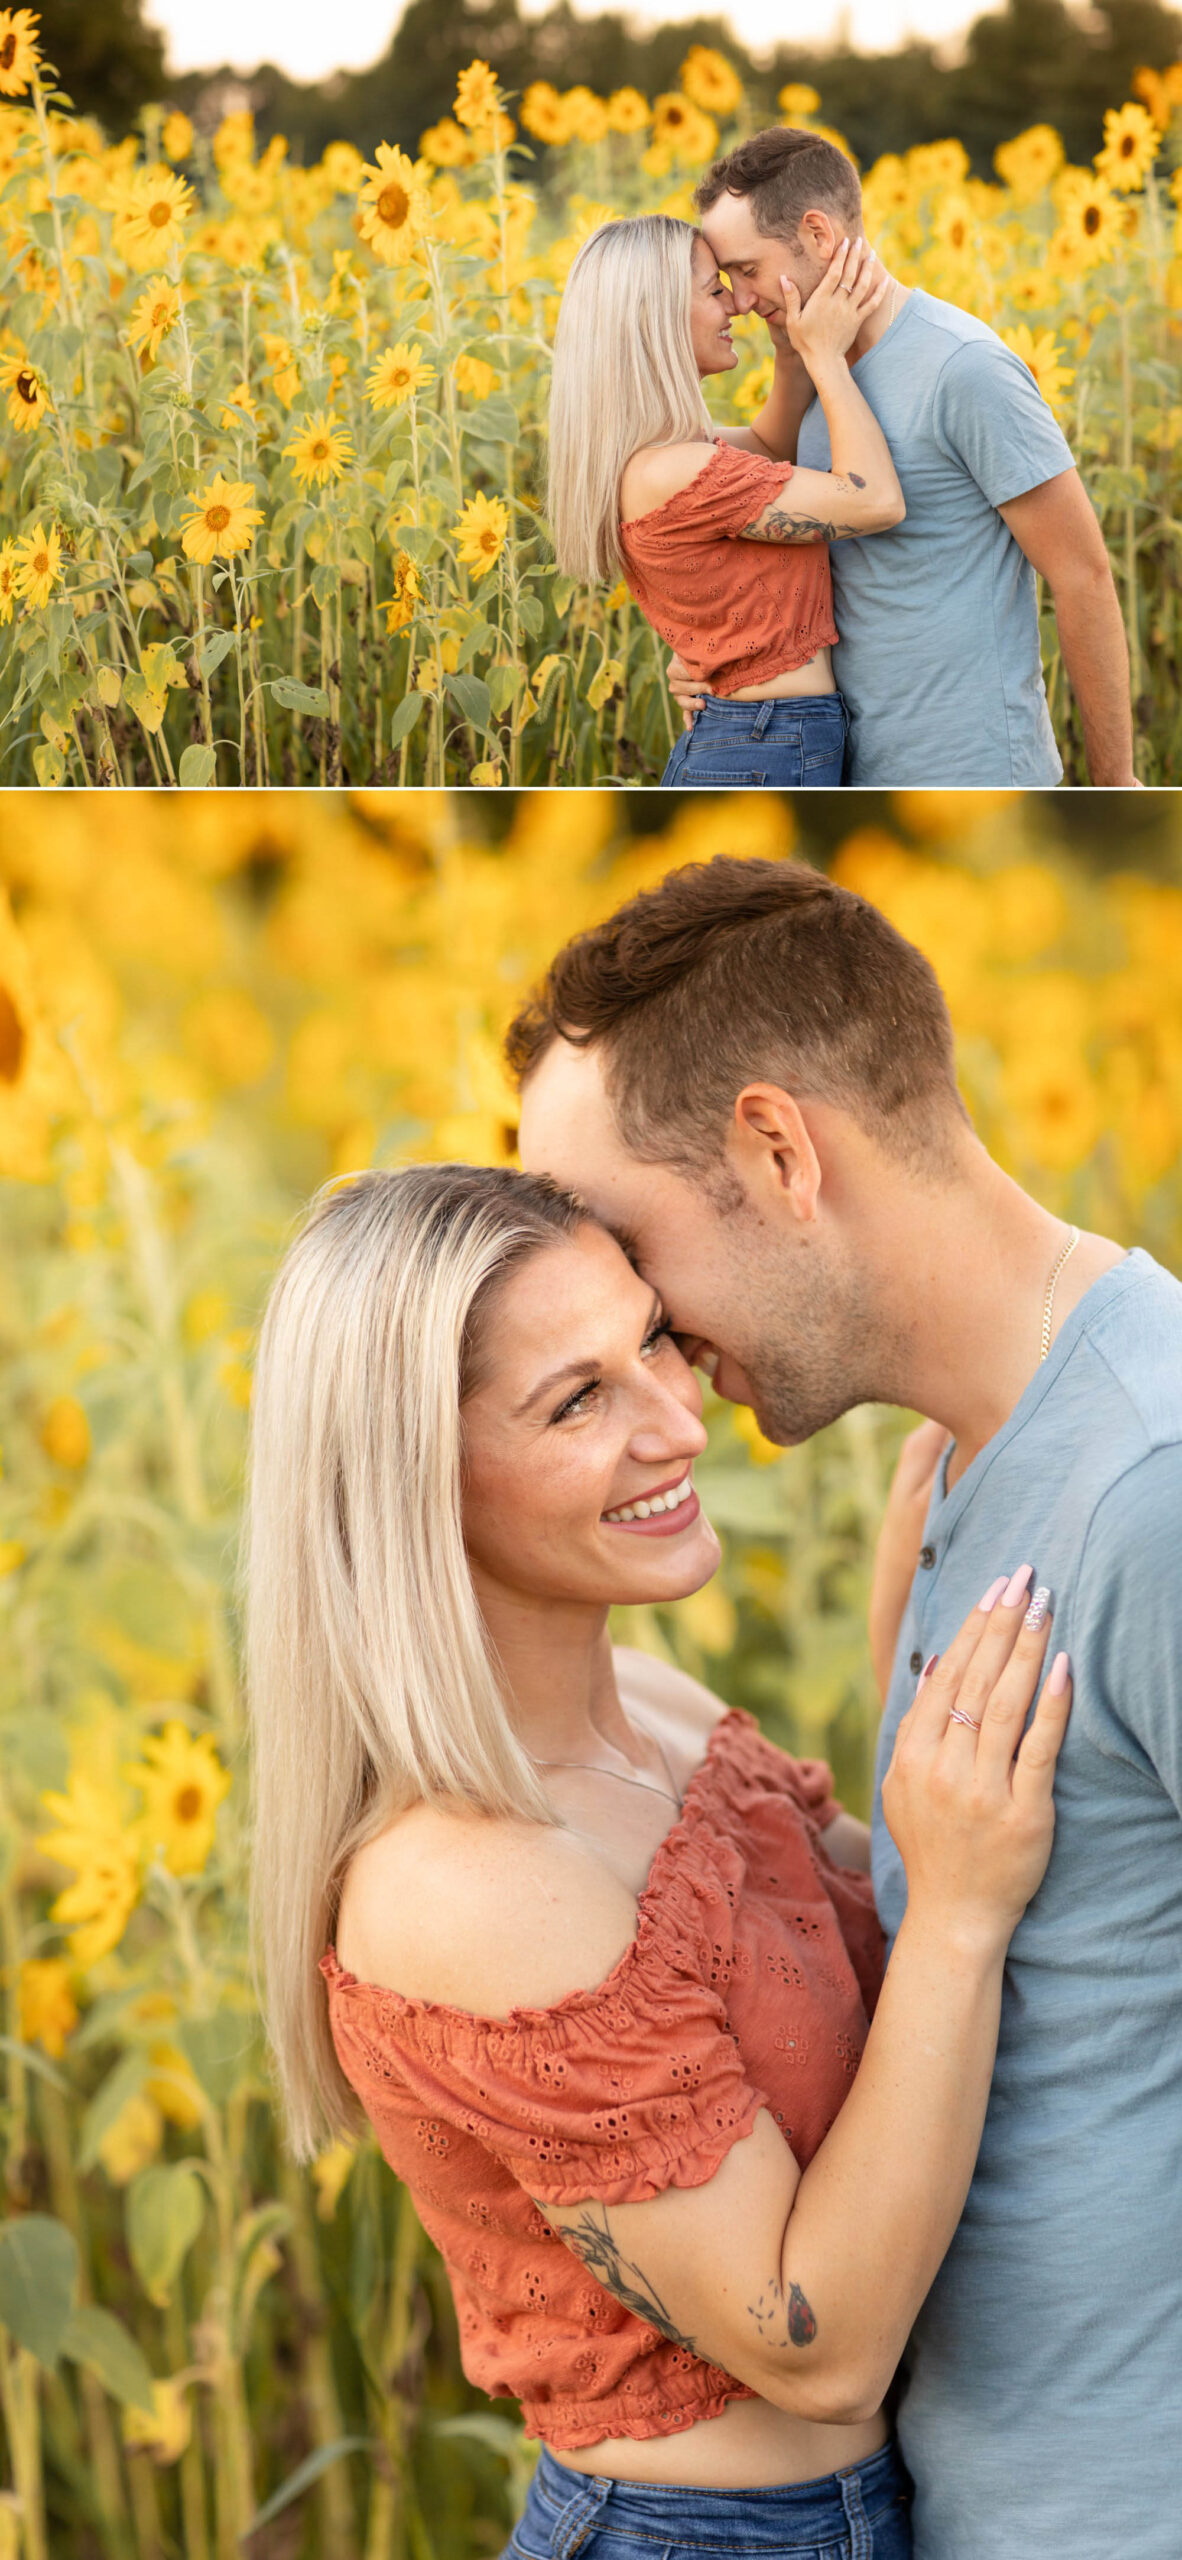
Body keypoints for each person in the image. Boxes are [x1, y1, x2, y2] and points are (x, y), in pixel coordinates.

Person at [244, 1158, 1071, 2559]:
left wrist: (922, 1624)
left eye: (654, 1344)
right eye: (578, 1401)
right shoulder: (467, 1881)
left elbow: (891, 1927)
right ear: (409, 1482)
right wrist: (958, 1921)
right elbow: (814, 2347)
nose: (679, 1422)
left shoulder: (664, 1721)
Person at [510, 852, 1182, 2560]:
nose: (640, 1327)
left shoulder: (1153, 1486)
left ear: (777, 1152)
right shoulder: (977, 1459)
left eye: (635, 1253)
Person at [664, 128, 1136, 787]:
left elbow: (1083, 575)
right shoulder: (806, 372)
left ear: (819, 235)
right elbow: (718, 495)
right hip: (842, 768)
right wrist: (709, 657)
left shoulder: (963, 366)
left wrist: (1115, 785)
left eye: (746, 269)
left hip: (973, 775)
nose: (739, 299)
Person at [547, 213, 905, 786]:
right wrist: (827, 360)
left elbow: (768, 447)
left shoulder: (661, 458)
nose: (737, 304)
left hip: (760, 735)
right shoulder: (675, 471)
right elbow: (875, 500)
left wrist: (790, 346)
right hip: (765, 740)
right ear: (655, 317)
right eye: (715, 290)